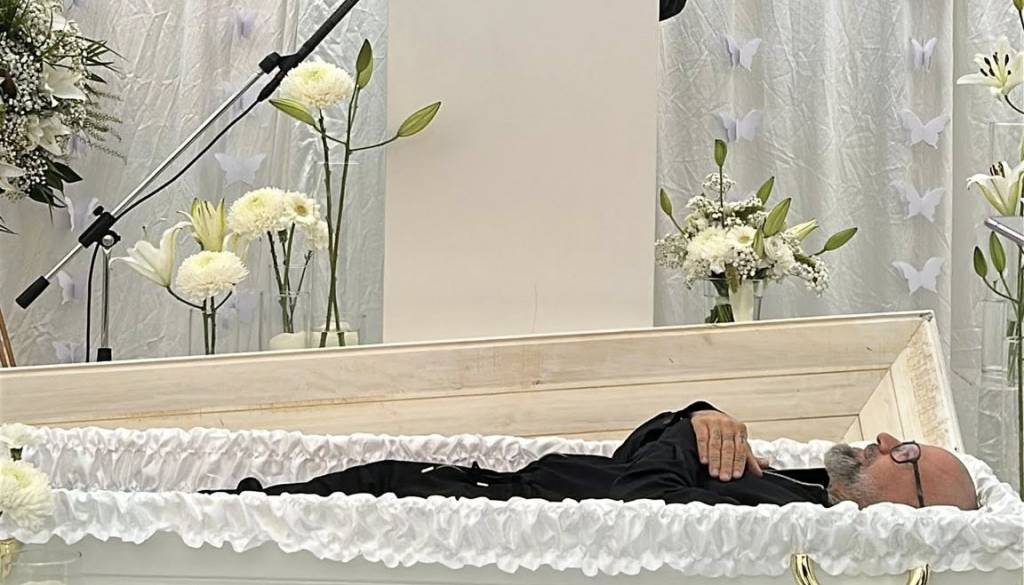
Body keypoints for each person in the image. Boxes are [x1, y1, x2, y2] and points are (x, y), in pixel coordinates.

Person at [206, 402, 979, 510]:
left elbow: (646, 507)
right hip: (489, 493)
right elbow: (630, 456)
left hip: (489, 517)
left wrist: (693, 427)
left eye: (905, 452)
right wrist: (691, 417)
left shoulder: (789, 514)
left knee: (263, 516)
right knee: (265, 504)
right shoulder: (799, 484)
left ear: (908, 513)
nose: (884, 439)